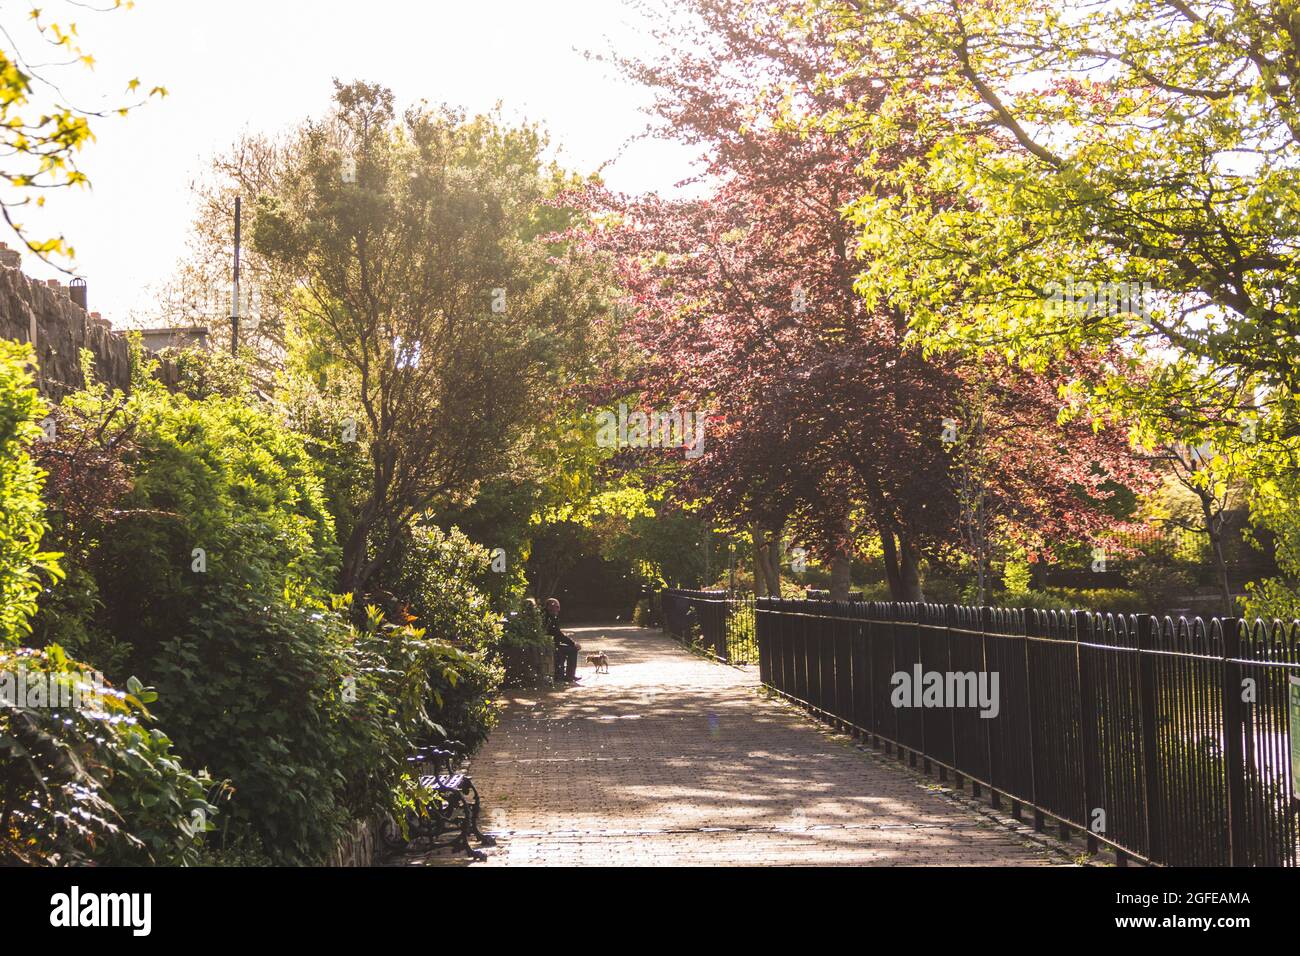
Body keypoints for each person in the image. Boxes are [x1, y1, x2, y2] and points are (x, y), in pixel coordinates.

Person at [544, 597, 580, 683]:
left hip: (551, 644)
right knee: (573, 650)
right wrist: (573, 643)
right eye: (556, 607)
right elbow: (558, 635)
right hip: (550, 645)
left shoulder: (547, 616)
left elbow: (556, 634)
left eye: (558, 607)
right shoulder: (550, 618)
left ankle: (565, 675)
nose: (559, 609)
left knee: (564, 649)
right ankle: (569, 676)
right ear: (549, 607)